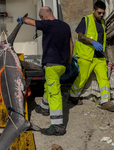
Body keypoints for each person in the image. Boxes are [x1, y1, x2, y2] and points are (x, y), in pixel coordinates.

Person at [17, 6, 73, 136]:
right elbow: (71, 44)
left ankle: (58, 126)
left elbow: (30, 22)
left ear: (43, 16)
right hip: (62, 65)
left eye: (41, 18)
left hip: (52, 65)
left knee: (54, 93)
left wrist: (22, 19)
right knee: (49, 86)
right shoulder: (65, 26)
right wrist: (69, 63)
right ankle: (43, 108)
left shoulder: (47, 24)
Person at [68, 1, 114, 112]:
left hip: (99, 57)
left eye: (103, 13)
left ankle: (105, 101)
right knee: (82, 78)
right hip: (86, 56)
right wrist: (92, 41)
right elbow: (80, 36)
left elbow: (105, 33)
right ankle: (72, 96)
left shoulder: (102, 22)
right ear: (93, 10)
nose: (101, 15)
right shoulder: (86, 20)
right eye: (99, 13)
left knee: (104, 79)